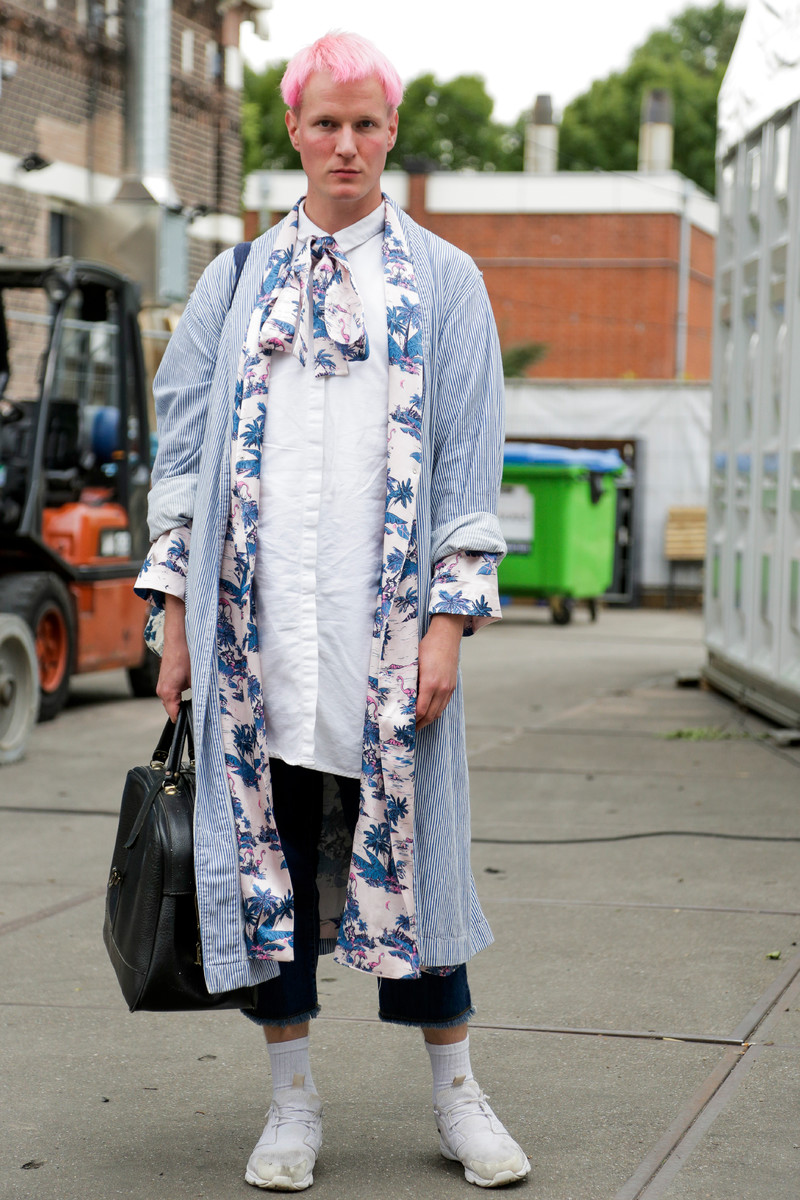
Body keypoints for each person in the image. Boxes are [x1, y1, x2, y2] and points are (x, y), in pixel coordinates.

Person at [135, 31, 529, 1192]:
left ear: (390, 131)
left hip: (387, 643)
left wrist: (446, 625)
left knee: (419, 866)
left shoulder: (444, 283)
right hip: (254, 646)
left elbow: (467, 466)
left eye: (365, 123)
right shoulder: (232, 282)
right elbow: (180, 457)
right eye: (325, 123)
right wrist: (172, 625)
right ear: (294, 131)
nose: (345, 144)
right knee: (270, 872)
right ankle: (290, 1104)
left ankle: (458, 1097)